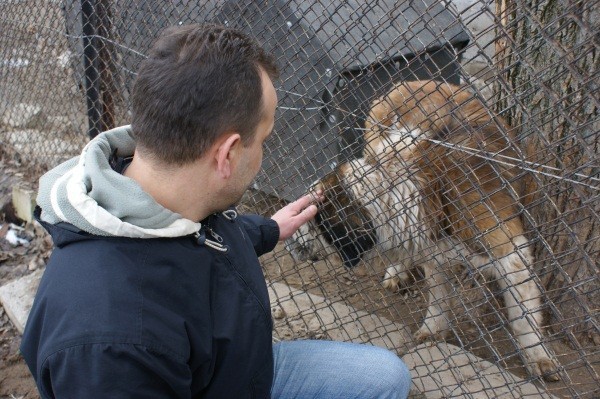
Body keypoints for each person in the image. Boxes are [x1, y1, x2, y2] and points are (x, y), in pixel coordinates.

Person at [20, 23, 412, 398]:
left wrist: (268, 229)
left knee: (384, 376)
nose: (263, 152)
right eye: (264, 139)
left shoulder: (158, 191)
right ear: (226, 155)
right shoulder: (113, 349)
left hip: (229, 374)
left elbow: (195, 240)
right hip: (216, 380)